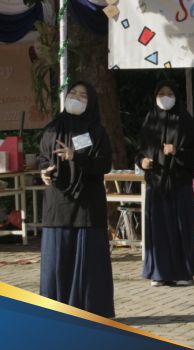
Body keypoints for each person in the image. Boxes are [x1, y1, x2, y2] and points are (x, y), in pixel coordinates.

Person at [38, 81, 115, 318]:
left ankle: (91, 310)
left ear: (90, 102)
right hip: (58, 205)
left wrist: (76, 157)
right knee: (56, 262)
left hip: (87, 206)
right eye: (73, 93)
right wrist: (44, 171)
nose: (77, 98)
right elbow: (42, 157)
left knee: (88, 264)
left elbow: (104, 164)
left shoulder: (96, 132)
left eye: (83, 96)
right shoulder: (52, 128)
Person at [137, 81, 194, 287]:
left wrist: (177, 152)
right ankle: (159, 272)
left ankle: (183, 272)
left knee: (180, 227)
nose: (165, 97)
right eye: (162, 93)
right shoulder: (150, 120)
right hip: (156, 184)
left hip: (179, 183)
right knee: (157, 229)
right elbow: (140, 149)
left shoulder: (186, 121)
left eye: (170, 93)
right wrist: (142, 161)